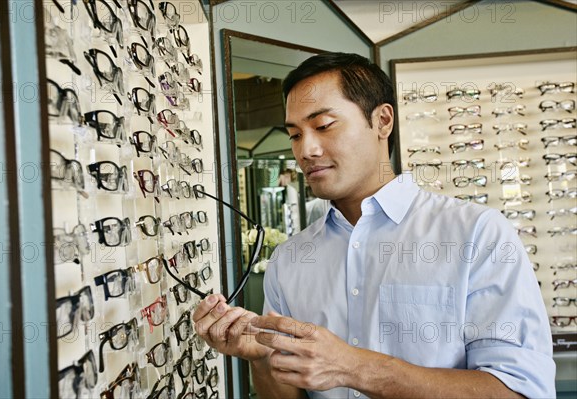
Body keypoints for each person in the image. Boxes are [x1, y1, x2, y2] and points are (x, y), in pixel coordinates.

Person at [193, 53, 555, 398]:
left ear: (382, 121)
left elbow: (519, 391)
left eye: (323, 126)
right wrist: (261, 357)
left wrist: (353, 367)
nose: (307, 150)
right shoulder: (289, 260)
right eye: (295, 134)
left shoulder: (477, 234)